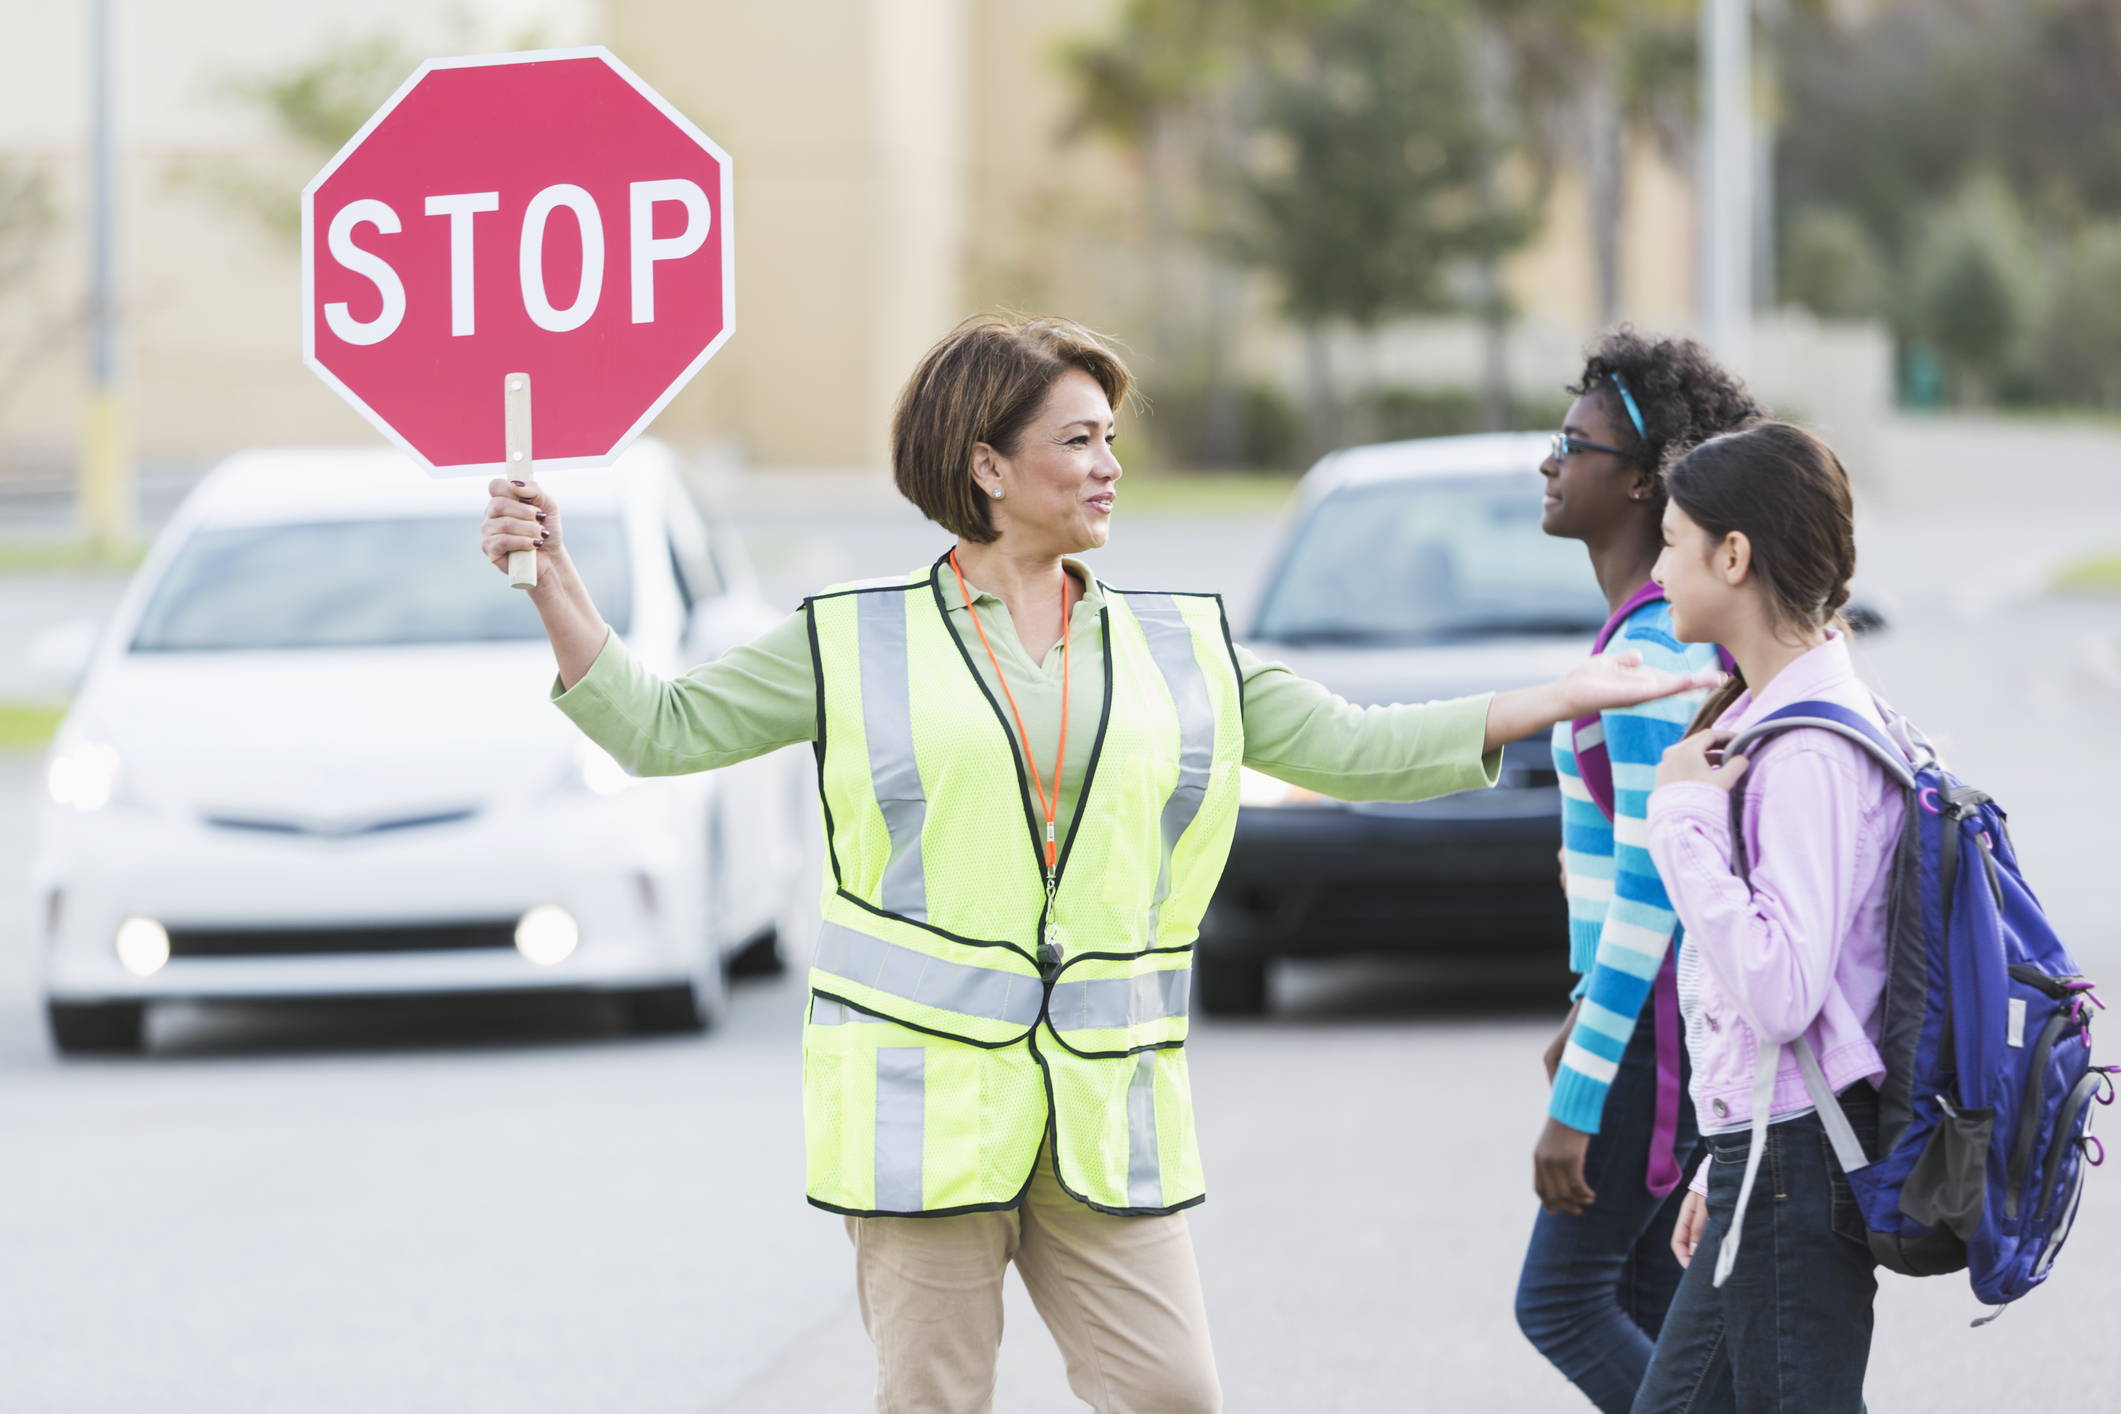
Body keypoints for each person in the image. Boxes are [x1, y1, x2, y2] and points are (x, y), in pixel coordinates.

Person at [477, 314, 1722, 1414]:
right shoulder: (850, 639)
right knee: (935, 1402)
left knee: (1175, 1392)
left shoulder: (1177, 643)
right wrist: (559, 583)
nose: (1109, 465)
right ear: (987, 466)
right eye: (1078, 440)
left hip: (1100, 1112)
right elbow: (660, 727)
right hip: (924, 1118)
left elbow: (1356, 744)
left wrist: (1563, 693)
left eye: (1111, 438)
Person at [1516, 332, 1763, 1412]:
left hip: (1660, 1034)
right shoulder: (1643, 631)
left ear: (1646, 481)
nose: (1550, 463)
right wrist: (1582, 1006)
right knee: (1664, 1305)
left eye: (1575, 444)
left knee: (1564, 1301)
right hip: (1650, 1022)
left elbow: (1650, 893)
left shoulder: (1659, 651)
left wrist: (1579, 1097)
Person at [1632, 421, 1900, 1413]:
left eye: (1671, 540)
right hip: (1769, 1151)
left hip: (1797, 1160)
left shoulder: (1806, 751)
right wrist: (1721, 1154)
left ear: (1733, 554)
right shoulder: (1772, 718)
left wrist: (1680, 821)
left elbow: (1786, 990)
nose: (1657, 566)